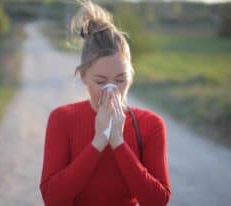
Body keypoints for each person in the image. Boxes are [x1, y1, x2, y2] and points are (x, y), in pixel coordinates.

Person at [39, 1, 171, 205]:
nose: (112, 90)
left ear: (131, 75)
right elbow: (53, 199)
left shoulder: (151, 125)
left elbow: (158, 200)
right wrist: (99, 140)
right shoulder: (62, 119)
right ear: (83, 76)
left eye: (120, 80)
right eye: (101, 82)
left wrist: (118, 141)